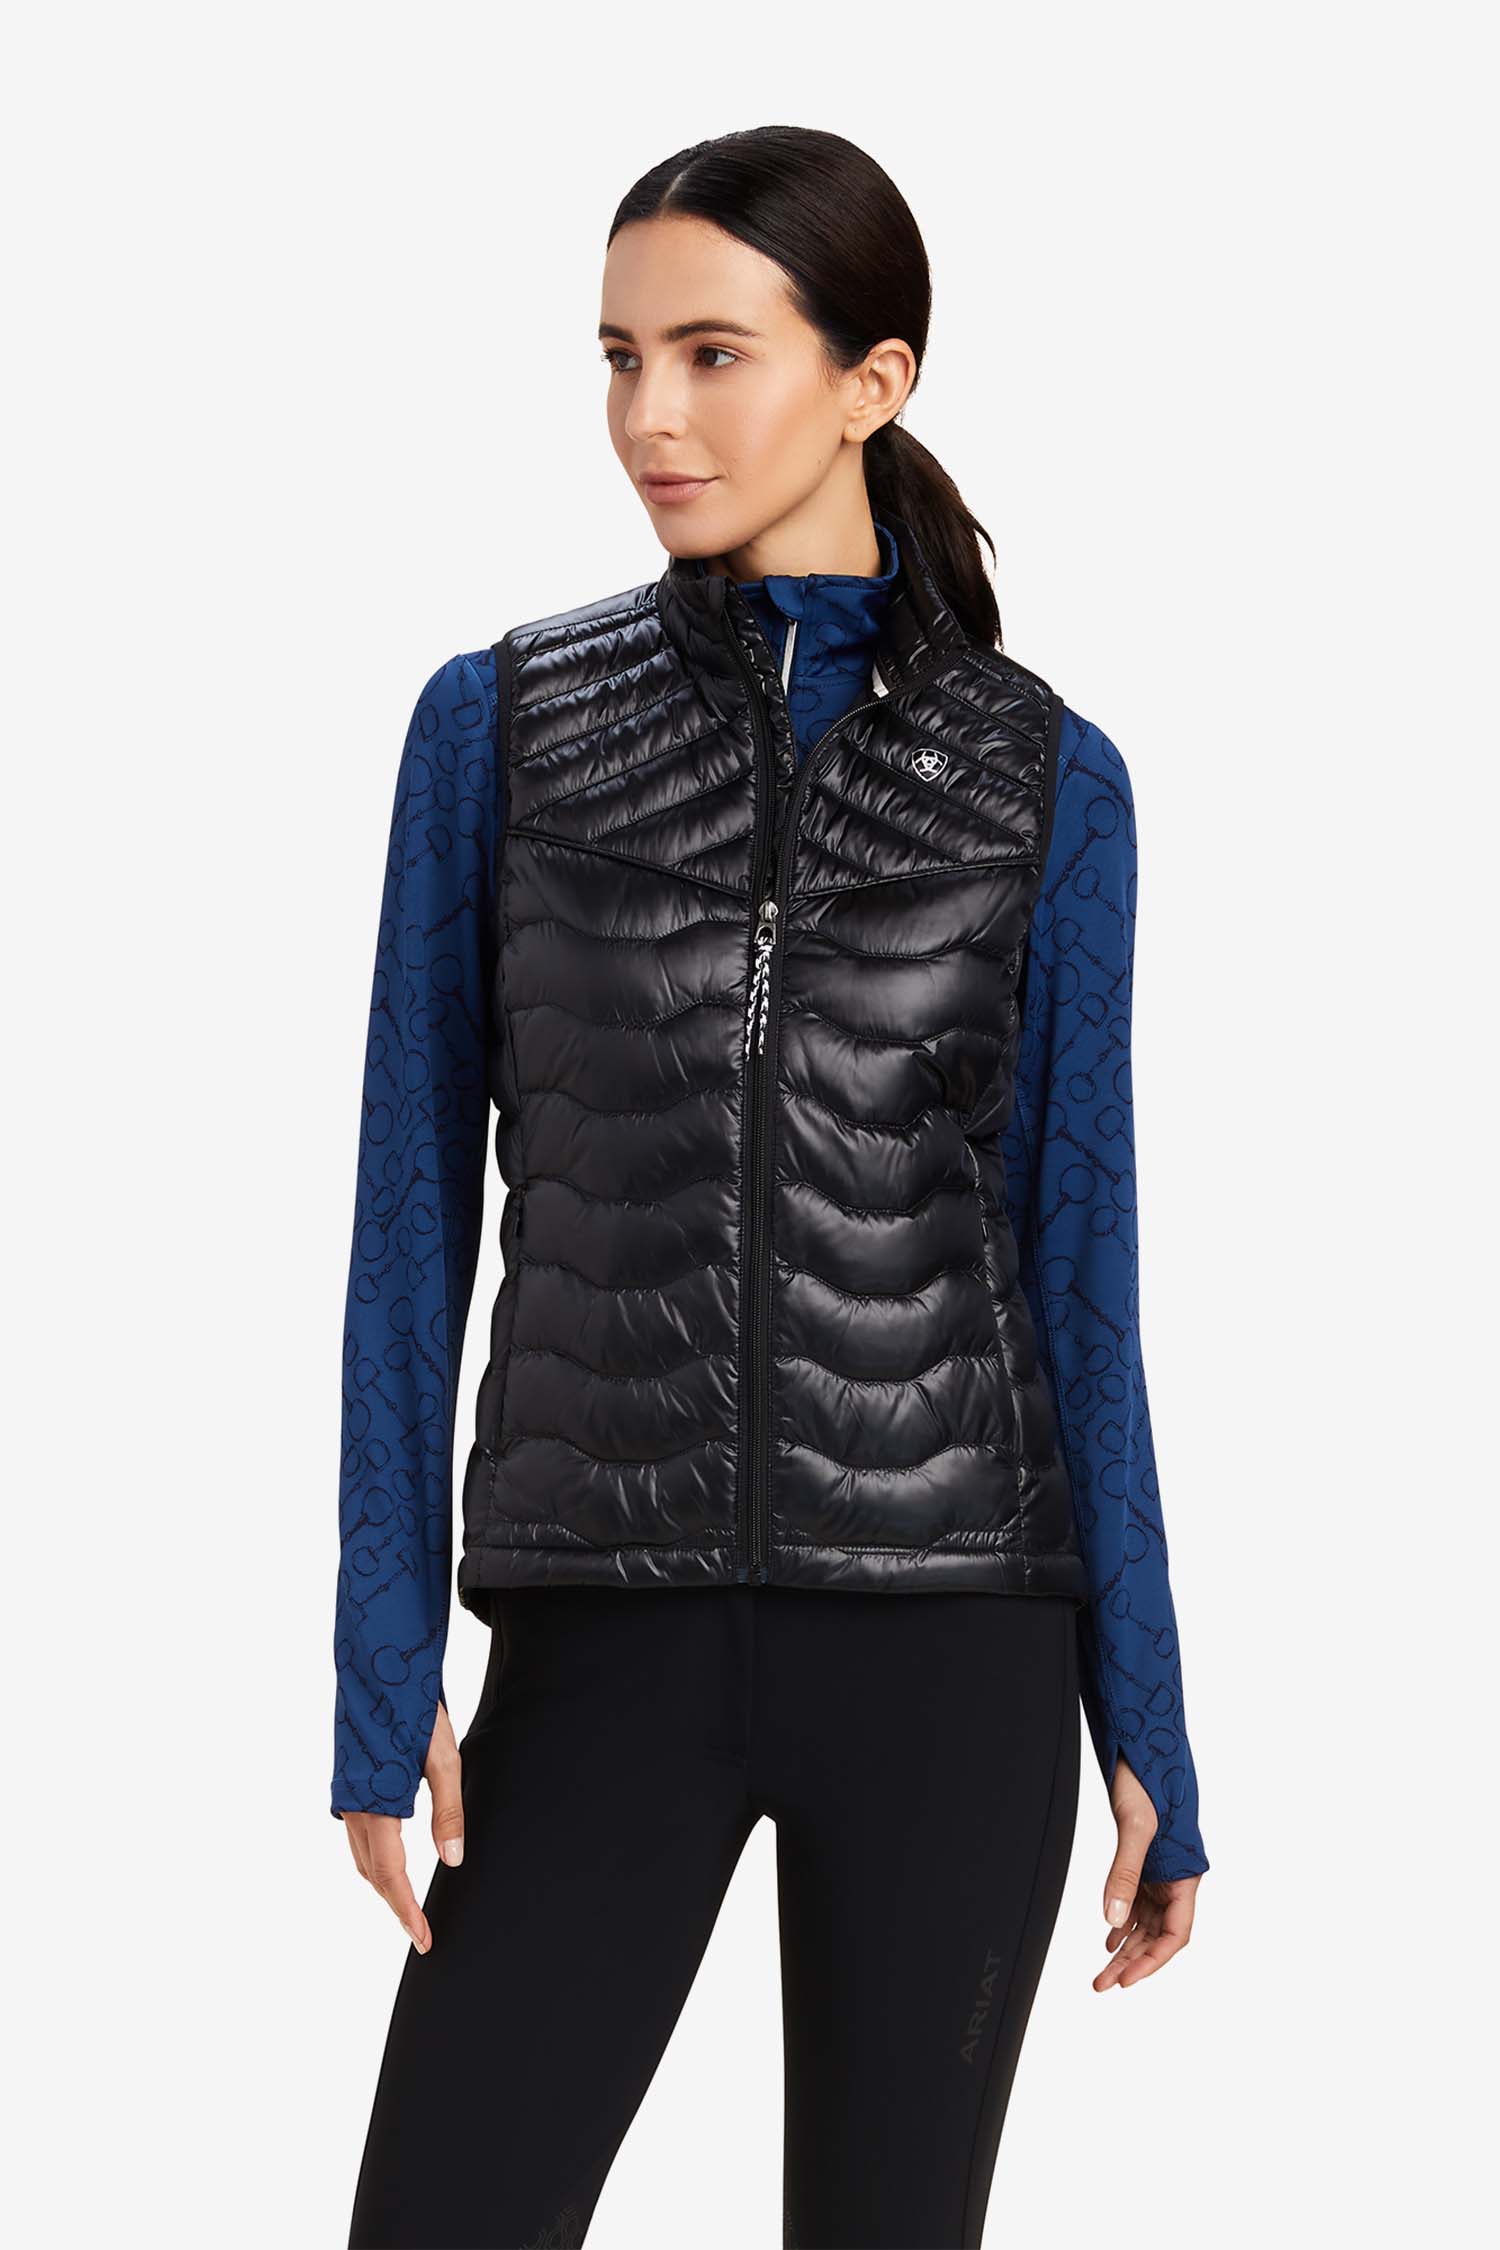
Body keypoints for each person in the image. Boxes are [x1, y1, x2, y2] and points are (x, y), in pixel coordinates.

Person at [333, 125, 1209, 2250]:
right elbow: (408, 1218)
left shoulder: (1044, 775)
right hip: (598, 1626)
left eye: (714, 354)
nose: (652, 414)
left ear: (871, 380)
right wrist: (381, 1668)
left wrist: (1151, 1715)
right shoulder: (499, 728)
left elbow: (1077, 1256)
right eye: (619, 356)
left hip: (956, 1636)